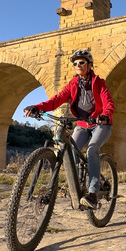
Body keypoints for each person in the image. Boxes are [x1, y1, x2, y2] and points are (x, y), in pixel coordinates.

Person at [24, 49, 115, 208]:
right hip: (81, 124)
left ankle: (93, 193)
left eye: (82, 62)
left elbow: (108, 102)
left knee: (92, 149)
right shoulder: (73, 84)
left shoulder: (99, 82)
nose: (78, 65)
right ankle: (75, 184)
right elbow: (56, 100)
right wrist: (37, 107)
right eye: (75, 63)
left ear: (89, 65)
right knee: (72, 151)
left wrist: (105, 115)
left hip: (101, 124)